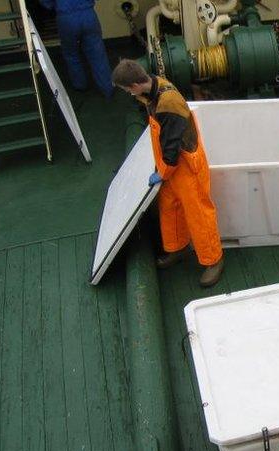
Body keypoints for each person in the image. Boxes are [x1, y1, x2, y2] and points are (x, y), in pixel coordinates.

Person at [111, 59, 224, 287]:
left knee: (198, 214)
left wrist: (163, 172)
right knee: (169, 208)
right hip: (168, 167)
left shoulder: (168, 103)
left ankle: (213, 260)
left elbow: (171, 147)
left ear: (134, 85)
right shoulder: (151, 90)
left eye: (126, 90)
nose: (128, 94)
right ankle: (177, 248)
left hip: (185, 166)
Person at [40, 0, 113, 97]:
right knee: (97, 54)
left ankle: (80, 85)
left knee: (71, 54)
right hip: (88, 15)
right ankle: (107, 88)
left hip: (66, 18)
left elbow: (46, 4)